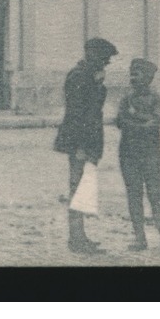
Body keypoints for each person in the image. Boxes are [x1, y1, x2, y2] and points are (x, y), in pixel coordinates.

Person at [52, 36, 118, 253]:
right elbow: (78, 114)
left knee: (82, 187)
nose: (107, 63)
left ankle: (80, 236)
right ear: (93, 55)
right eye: (105, 58)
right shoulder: (80, 76)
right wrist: (80, 146)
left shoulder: (88, 76)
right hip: (80, 142)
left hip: (88, 140)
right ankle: (76, 239)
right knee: (77, 187)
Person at [114, 57, 160, 253]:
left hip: (150, 155)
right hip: (128, 154)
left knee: (156, 196)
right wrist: (140, 120)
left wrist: (135, 116)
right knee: (134, 196)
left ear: (148, 77)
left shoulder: (157, 99)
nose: (133, 78)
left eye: (137, 74)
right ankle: (140, 239)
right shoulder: (126, 99)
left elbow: (154, 124)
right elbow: (120, 122)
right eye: (131, 73)